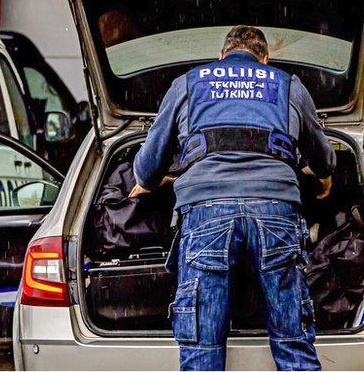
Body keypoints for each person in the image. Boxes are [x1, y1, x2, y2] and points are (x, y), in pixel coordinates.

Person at [129, 25, 335, 371]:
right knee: (293, 343)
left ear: (221, 56)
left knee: (203, 348)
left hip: (206, 214)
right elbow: (324, 158)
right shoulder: (287, 85)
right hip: (275, 209)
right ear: (265, 59)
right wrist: (322, 174)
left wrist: (159, 178)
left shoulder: (188, 83)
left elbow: (147, 168)